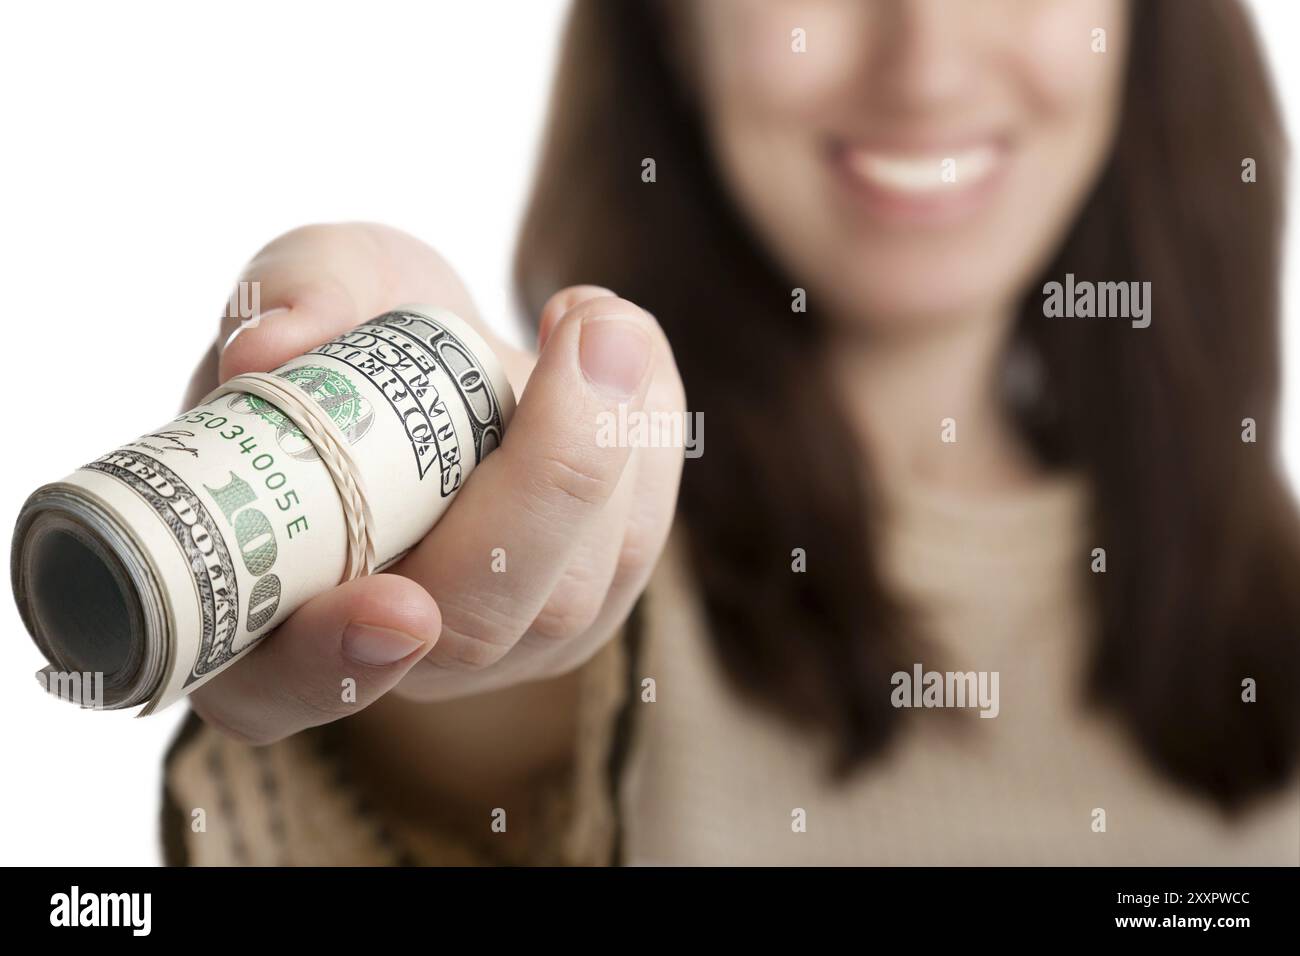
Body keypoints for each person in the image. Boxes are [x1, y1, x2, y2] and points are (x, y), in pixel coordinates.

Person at [163, 0, 1300, 865]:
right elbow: (475, 719)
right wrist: (442, 521)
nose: (926, 65)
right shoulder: (612, 561)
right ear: (669, 29)